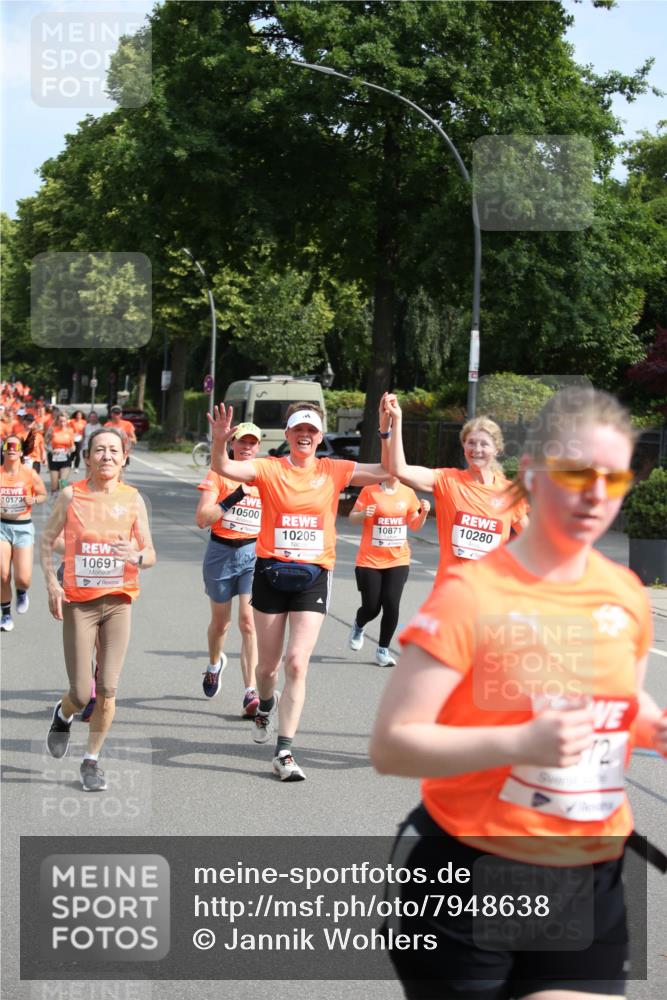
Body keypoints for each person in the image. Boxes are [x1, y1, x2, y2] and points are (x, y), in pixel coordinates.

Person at [370, 386, 666, 1000]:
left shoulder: (627, 593)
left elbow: (623, 704)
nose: (594, 494)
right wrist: (521, 740)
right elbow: (393, 746)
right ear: (529, 474)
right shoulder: (472, 596)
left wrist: (652, 726)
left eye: (612, 479)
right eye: (576, 472)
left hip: (588, 871)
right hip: (472, 872)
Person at [209, 400, 388, 782]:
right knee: (268, 667)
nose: (305, 435)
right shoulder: (270, 469)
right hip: (271, 572)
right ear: (288, 435)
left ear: (320, 436)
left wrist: (389, 430)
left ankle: (285, 750)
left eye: (311, 430)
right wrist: (219, 441)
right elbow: (224, 467)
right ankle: (265, 705)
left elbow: (388, 470)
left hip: (314, 575)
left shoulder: (334, 470)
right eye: (298, 430)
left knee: (296, 663)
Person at [41, 427, 156, 792]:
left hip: (119, 600)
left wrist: (137, 556)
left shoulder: (133, 499)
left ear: (124, 458)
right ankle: (63, 714)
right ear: (87, 457)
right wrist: (52, 584)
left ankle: (91, 760)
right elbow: (45, 541)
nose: (106, 456)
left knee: (108, 687)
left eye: (113, 450)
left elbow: (150, 553)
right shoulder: (71, 496)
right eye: (99, 450)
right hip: (80, 603)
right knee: (81, 693)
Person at [382, 394, 528, 587]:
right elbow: (399, 470)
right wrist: (397, 420)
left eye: (484, 444)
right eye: (471, 443)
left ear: (497, 449)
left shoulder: (509, 492)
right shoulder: (447, 480)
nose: (477, 449)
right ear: (464, 446)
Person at [348, 407, 430, 665]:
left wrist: (425, 513)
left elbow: (414, 525)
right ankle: (360, 624)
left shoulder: (407, 493)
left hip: (398, 559)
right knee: (372, 606)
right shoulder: (370, 490)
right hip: (370, 560)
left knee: (392, 604)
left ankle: (383, 650)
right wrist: (364, 514)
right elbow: (352, 517)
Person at [195, 422, 264, 717]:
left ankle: (251, 690)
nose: (247, 447)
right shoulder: (218, 475)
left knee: (248, 621)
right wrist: (235, 497)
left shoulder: (265, 477)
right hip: (220, 553)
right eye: (241, 442)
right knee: (220, 623)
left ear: (259, 447)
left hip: (253, 554)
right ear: (232, 444)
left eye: (252, 443)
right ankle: (214, 664)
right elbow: (202, 518)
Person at [1, 433, 47, 631]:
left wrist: (34, 500)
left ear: (21, 452)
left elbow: (43, 494)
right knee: (2, 575)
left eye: (15, 446)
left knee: (24, 578)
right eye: (8, 445)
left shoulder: (30, 474)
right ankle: (5, 615)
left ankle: (21, 591)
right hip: (1, 527)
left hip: (23, 529)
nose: (11, 448)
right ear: (3, 449)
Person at [45, 411, 75, 495]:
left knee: (63, 482)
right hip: (53, 458)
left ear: (67, 421)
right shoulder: (52, 430)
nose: (62, 423)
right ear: (57, 421)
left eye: (64, 421)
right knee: (54, 486)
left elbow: (73, 447)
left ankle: (63, 501)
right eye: (60, 421)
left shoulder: (70, 431)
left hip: (65, 458)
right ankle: (54, 501)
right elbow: (45, 444)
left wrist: (68, 450)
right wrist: (51, 450)